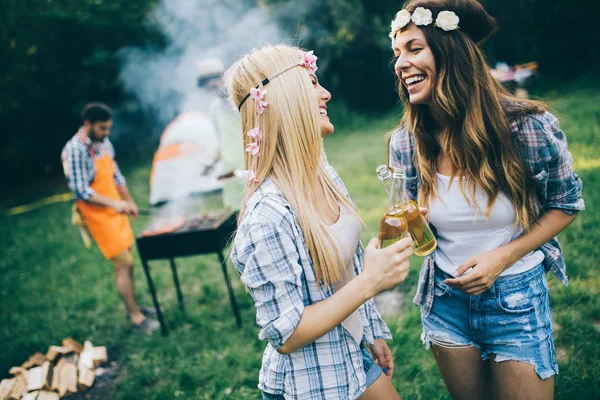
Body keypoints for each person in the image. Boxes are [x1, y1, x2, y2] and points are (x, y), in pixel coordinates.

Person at [387, 1, 584, 400]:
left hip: (515, 299)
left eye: (413, 48)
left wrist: (503, 257)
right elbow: (416, 224)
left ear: (451, 53)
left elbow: (566, 203)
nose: (400, 64)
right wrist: (407, 227)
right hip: (445, 301)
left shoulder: (526, 127)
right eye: (396, 54)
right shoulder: (406, 143)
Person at [227, 45, 412, 399]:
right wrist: (372, 282)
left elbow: (347, 267)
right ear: (284, 99)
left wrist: (369, 332)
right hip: (311, 381)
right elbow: (287, 333)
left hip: (350, 353)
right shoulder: (267, 216)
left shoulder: (323, 174)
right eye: (311, 82)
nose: (325, 92)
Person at [61, 102, 160, 333]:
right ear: (88, 124)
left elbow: (116, 176)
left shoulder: (102, 143)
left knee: (129, 262)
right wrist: (115, 203)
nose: (107, 134)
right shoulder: (74, 150)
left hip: (115, 211)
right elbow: (80, 191)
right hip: (97, 215)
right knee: (123, 264)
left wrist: (129, 202)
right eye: (102, 129)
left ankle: (134, 307)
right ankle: (136, 317)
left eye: (108, 129)